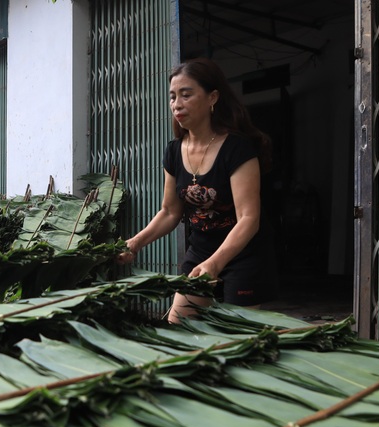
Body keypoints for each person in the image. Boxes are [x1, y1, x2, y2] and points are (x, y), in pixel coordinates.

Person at [118, 58, 278, 323]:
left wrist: (216, 264)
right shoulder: (173, 151)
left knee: (239, 337)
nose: (177, 104)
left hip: (243, 254)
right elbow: (170, 212)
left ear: (212, 97)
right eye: (172, 97)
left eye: (186, 95)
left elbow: (249, 219)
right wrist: (136, 243)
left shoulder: (237, 149)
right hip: (201, 251)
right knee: (178, 324)